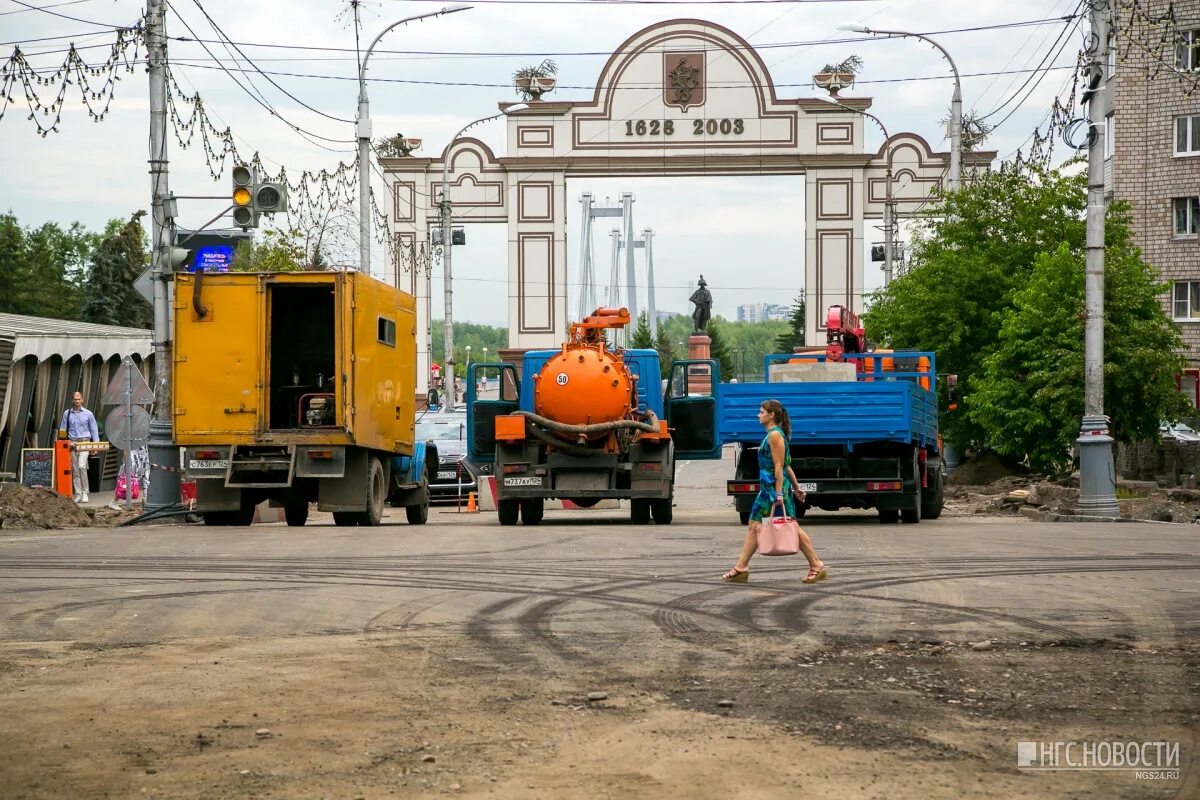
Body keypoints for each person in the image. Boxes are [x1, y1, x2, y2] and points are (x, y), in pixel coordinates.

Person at [722, 399, 827, 584]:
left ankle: (816, 564)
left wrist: (779, 494)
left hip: (773, 489)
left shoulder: (775, 436)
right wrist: (797, 488)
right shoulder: (772, 435)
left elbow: (779, 468)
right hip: (769, 488)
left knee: (790, 526)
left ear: (771, 415)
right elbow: (787, 466)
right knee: (755, 525)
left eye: (761, 412)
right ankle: (741, 567)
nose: (758, 415)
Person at [59, 391, 99, 504]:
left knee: (82, 466)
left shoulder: (88, 414)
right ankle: (78, 493)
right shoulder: (67, 413)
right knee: (75, 469)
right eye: (75, 399)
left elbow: (94, 431)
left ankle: (85, 492)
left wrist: (95, 446)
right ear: (72, 400)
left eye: (78, 399)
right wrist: (65, 442)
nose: (76, 401)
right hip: (72, 444)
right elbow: (63, 430)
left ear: (82, 400)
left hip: (85, 442)